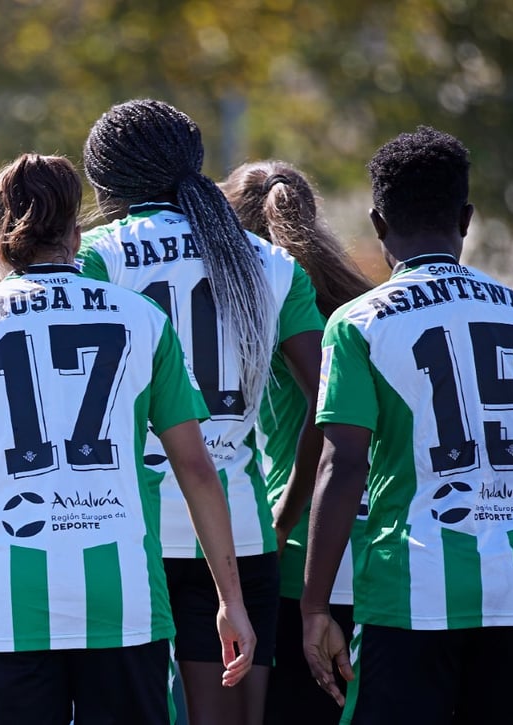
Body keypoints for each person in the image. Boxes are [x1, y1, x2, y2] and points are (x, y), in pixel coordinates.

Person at [0, 153, 255, 725]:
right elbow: (197, 469)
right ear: (77, 237)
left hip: (7, 605)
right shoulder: (143, 319)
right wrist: (230, 599)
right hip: (125, 602)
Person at [303, 126, 513, 724]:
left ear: (378, 224)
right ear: (466, 219)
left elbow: (342, 463)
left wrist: (314, 607)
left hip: (412, 588)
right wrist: (511, 509)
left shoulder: (358, 323)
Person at [78, 99, 326, 724]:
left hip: (125, 531)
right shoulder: (272, 262)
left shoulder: (97, 255)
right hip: (241, 530)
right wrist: (285, 514)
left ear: (105, 184)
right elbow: (330, 408)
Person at [220, 160, 375, 724]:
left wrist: (283, 516)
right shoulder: (362, 303)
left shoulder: (270, 302)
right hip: (381, 555)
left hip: (303, 559)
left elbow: (322, 402)